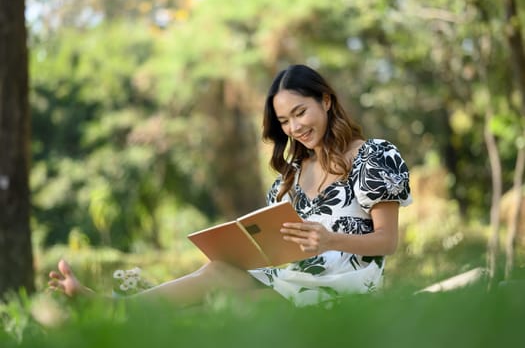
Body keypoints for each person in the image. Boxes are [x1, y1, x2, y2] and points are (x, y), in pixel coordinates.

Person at [48, 64, 412, 307]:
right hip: (287, 286)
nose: (294, 129)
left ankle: (114, 309)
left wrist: (329, 239)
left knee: (216, 289)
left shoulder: (373, 156)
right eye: (284, 121)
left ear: (327, 101)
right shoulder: (291, 175)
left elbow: (388, 241)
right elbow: (278, 252)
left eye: (300, 113)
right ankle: (118, 311)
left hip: (342, 294)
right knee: (215, 287)